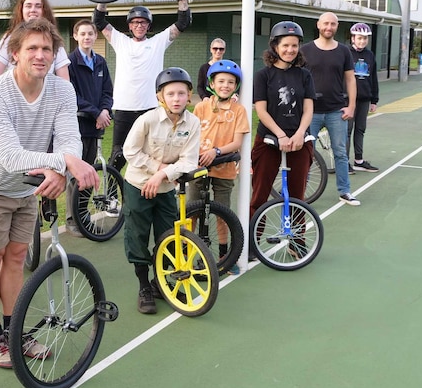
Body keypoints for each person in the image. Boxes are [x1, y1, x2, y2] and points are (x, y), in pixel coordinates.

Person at [0, 18, 99, 368]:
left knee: (18, 256)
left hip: (26, 185)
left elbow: (69, 139)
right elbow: (9, 157)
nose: (40, 55)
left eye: (46, 49)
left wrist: (60, 166)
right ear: (15, 54)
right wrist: (65, 162)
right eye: (32, 48)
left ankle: (16, 330)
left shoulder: (62, 90)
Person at [93, 0, 195, 172]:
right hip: (124, 107)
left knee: (150, 154)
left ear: (148, 25)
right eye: (135, 22)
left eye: (143, 22)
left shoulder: (158, 42)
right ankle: (112, 195)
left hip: (150, 108)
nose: (139, 25)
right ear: (130, 26)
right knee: (118, 154)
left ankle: (147, 190)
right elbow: (98, 20)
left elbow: (183, 22)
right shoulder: (120, 41)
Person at [122, 67, 201, 314]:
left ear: (189, 96)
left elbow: (189, 161)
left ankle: (160, 281)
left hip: (166, 188)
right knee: (137, 235)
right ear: (160, 97)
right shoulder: (147, 120)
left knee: (168, 236)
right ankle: (144, 285)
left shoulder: (194, 123)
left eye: (181, 93)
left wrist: (161, 175)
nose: (176, 99)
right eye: (170, 94)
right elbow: (130, 151)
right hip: (138, 185)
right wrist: (156, 168)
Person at [250, 21, 316, 222]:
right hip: (269, 139)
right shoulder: (263, 75)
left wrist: (299, 134)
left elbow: (308, 108)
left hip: (298, 140)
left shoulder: (304, 75)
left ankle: (297, 242)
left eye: (294, 45)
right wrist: (280, 135)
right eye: (285, 45)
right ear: (275, 47)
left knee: (298, 195)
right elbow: (261, 110)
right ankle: (253, 242)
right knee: (260, 194)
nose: (290, 50)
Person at [189, 59, 250, 274]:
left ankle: (225, 256)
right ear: (212, 84)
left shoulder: (239, 110)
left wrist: (215, 152)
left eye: (231, 82)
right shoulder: (201, 107)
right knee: (192, 212)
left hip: (223, 167)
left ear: (236, 86)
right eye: (221, 81)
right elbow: (191, 136)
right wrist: (197, 155)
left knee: (223, 213)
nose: (225, 85)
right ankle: (188, 253)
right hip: (199, 167)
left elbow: (236, 143)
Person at [301, 12, 360, 206]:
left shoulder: (343, 51)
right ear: (318, 25)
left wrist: (351, 106)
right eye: (326, 23)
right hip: (311, 112)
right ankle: (301, 193)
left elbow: (350, 79)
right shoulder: (305, 50)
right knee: (307, 153)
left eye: (333, 24)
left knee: (340, 153)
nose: (329, 27)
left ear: (337, 26)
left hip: (336, 110)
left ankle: (345, 191)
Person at [65, 19, 114, 235]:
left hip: (95, 127)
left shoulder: (101, 62)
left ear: (95, 36)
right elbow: (70, 94)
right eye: (82, 34)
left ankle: (83, 218)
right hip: (77, 126)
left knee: (89, 174)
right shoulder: (69, 63)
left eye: (90, 34)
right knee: (75, 175)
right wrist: (96, 112)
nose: (87, 37)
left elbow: (107, 93)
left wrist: (104, 111)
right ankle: (71, 220)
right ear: (75, 36)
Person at [0, 0, 70, 83]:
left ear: (44, 11)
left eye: (38, 6)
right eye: (28, 6)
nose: (33, 10)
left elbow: (64, 79)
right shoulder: (9, 38)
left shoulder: (53, 39)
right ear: (21, 10)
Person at [348, 22, 380, 173]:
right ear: (353, 38)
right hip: (347, 100)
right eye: (359, 38)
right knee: (346, 130)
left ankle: (358, 161)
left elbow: (373, 78)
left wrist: (374, 100)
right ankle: (343, 162)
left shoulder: (370, 55)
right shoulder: (346, 53)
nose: (362, 41)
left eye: (365, 39)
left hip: (364, 99)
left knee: (360, 129)